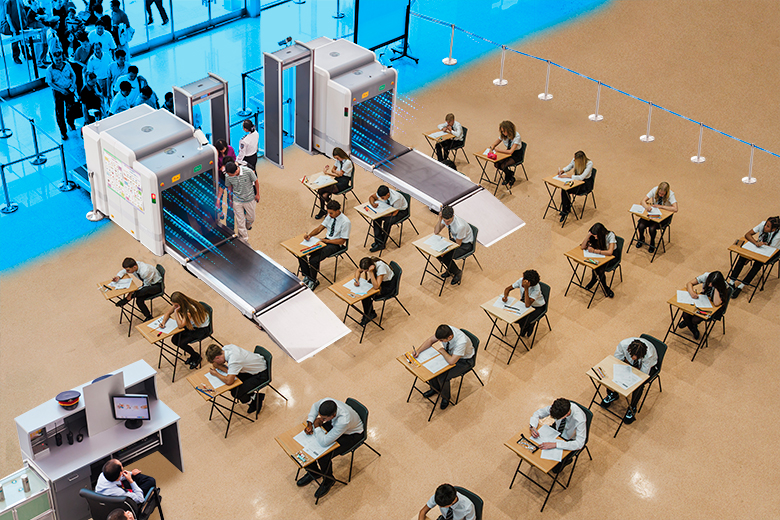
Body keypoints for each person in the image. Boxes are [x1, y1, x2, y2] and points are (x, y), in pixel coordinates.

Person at [296, 398, 364, 499]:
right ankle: (314, 473)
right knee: (307, 445)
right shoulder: (327, 401)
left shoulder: (343, 420)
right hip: (336, 425)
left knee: (323, 456)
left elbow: (324, 442)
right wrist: (310, 423)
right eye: (321, 417)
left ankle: (329, 481)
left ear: (333, 415)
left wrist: (317, 426)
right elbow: (315, 406)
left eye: (324, 419)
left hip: (352, 434)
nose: (321, 419)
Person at [413, 324, 475, 410]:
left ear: (449, 337)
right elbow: (431, 340)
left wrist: (443, 351)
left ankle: (445, 398)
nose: (439, 341)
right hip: (450, 355)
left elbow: (452, 361)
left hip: (464, 361)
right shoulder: (446, 330)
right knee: (432, 367)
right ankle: (435, 389)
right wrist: (418, 351)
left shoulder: (461, 342)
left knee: (443, 377)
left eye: (441, 340)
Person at [600, 337, 658, 424]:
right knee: (612, 373)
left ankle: (632, 407)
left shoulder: (648, 355)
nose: (634, 358)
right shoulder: (623, 344)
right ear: (629, 350)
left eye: (637, 357)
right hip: (627, 363)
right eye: (632, 355)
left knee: (639, 385)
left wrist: (630, 374)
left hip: (647, 367)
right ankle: (613, 394)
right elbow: (616, 360)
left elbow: (643, 374)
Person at [298, 199, 351, 290]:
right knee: (300, 253)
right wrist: (310, 235)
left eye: (331, 213)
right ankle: (307, 275)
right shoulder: (329, 216)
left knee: (313, 259)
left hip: (335, 244)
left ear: (337, 211)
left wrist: (326, 241)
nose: (329, 215)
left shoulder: (346, 222)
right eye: (328, 213)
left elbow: (342, 241)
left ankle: (313, 280)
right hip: (326, 241)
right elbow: (319, 229)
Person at [205, 343, 268, 414]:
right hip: (253, 367)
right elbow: (232, 370)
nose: (215, 363)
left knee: (236, 393)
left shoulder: (234, 360)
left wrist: (216, 374)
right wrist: (220, 367)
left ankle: (254, 402)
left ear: (217, 357)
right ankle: (255, 396)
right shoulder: (226, 348)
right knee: (233, 387)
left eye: (215, 361)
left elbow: (229, 381)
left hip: (261, 374)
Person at [727, 216, 780, 299]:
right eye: (766, 224)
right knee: (742, 256)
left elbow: (769, 250)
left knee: (757, 264)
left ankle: (741, 286)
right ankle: (732, 282)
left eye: (768, 226)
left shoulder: (778, 236)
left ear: (773, 229)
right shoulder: (762, 225)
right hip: (758, 247)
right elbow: (748, 235)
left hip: (771, 252)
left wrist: (751, 257)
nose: (765, 226)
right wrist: (755, 243)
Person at [160, 291, 211, 368]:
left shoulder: (189, 311)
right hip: (191, 325)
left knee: (181, 343)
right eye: (173, 305)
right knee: (174, 340)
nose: (174, 306)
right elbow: (167, 313)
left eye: (176, 305)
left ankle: (196, 356)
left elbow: (180, 326)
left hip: (201, 329)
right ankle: (193, 355)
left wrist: (176, 312)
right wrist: (163, 322)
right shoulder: (179, 305)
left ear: (181, 303)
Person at [679, 271, 729, 340]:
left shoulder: (724, 285)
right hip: (702, 301)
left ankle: (691, 326)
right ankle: (690, 325)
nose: (710, 285)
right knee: (685, 314)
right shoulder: (706, 276)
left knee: (695, 320)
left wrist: (716, 288)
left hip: (713, 308)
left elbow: (716, 303)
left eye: (713, 284)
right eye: (709, 282)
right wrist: (692, 293)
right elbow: (689, 283)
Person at [434, 205, 473, 286]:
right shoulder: (445, 219)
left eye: (448, 221)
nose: (446, 223)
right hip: (455, 241)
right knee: (438, 253)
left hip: (465, 245)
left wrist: (445, 251)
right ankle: (451, 269)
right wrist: (440, 219)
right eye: (445, 221)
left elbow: (458, 244)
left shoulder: (460, 226)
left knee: (446, 256)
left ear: (453, 216)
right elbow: (436, 231)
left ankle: (457, 273)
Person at [113, 257, 162, 322]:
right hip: (148, 284)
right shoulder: (134, 266)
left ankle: (128, 298)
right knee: (139, 301)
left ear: (134, 267)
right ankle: (149, 317)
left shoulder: (145, 271)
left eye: (128, 270)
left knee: (142, 291)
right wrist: (118, 276)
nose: (127, 272)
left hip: (156, 286)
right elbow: (123, 271)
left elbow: (146, 286)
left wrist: (132, 292)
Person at [223, 161, 259, 243]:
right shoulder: (228, 175)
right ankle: (244, 239)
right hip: (237, 200)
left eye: (230, 174)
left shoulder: (248, 171)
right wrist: (230, 199)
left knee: (251, 218)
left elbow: (256, 181)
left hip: (249, 199)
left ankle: (246, 227)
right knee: (240, 221)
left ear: (236, 171)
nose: (228, 176)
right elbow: (229, 187)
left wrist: (257, 194)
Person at [636, 181, 678, 253]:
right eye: (659, 193)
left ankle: (652, 242)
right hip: (653, 213)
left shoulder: (671, 194)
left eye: (662, 194)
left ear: (666, 192)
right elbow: (643, 200)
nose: (660, 195)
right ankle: (641, 238)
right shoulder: (654, 190)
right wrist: (647, 207)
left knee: (652, 228)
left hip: (663, 217)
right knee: (641, 225)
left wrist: (661, 206)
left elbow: (675, 209)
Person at [502, 269, 545, 337]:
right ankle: (525, 327)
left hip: (537, 307)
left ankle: (528, 327)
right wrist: (505, 296)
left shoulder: (536, 289)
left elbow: (528, 304)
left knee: (524, 321)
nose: (522, 283)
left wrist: (526, 289)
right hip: (524, 303)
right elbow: (508, 289)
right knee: (515, 317)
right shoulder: (521, 280)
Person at [313, 146, 353, 219]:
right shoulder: (339, 161)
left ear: (341, 155)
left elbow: (340, 174)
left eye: (338, 158)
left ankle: (330, 208)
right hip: (337, 179)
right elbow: (333, 170)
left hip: (343, 182)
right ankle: (329, 208)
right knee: (323, 195)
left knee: (321, 190)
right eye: (336, 158)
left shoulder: (348, 162)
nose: (337, 160)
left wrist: (328, 173)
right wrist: (336, 173)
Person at [45, 50, 77, 140]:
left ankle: (71, 123)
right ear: (53, 60)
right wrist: (61, 90)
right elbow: (50, 83)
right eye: (57, 60)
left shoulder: (67, 64)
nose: (59, 62)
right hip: (58, 91)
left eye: (60, 59)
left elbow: (73, 75)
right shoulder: (49, 70)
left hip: (69, 88)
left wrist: (73, 84)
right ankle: (63, 131)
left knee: (71, 108)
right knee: (60, 111)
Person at [580, 222, 618, 298]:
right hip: (599, 255)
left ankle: (605, 287)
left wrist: (594, 251)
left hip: (611, 257)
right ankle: (594, 279)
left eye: (596, 236)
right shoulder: (593, 236)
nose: (595, 238)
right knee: (595, 266)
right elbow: (583, 247)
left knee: (599, 269)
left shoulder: (610, 235)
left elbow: (610, 252)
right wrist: (588, 235)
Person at [353, 256, 394, 325]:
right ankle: (369, 313)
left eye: (366, 270)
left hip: (387, 285)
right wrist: (357, 279)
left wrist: (371, 272)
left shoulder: (381, 267)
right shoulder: (368, 261)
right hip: (377, 280)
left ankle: (370, 314)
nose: (364, 272)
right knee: (364, 293)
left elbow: (376, 287)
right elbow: (358, 270)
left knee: (366, 296)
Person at [368, 184, 408, 252]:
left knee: (388, 222)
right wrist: (373, 204)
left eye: (383, 198)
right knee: (376, 219)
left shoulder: (396, 198)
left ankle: (382, 244)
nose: (382, 199)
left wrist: (381, 214)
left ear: (388, 195)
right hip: (388, 208)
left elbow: (394, 213)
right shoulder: (382, 192)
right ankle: (378, 241)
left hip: (401, 212)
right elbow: (372, 197)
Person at [556, 150, 594, 222]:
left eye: (575, 159)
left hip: (584, 184)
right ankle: (565, 209)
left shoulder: (589, 164)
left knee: (566, 190)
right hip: (576, 181)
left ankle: (566, 209)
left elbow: (581, 177)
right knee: (564, 189)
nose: (574, 160)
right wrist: (563, 170)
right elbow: (570, 166)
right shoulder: (575, 160)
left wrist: (568, 176)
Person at [487, 120, 522, 187]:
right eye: (501, 131)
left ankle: (509, 177)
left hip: (516, 154)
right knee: (497, 164)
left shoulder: (517, 136)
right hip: (506, 152)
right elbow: (494, 144)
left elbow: (511, 151)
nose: (503, 133)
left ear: (509, 130)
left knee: (503, 166)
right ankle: (510, 174)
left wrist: (499, 150)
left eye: (504, 131)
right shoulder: (503, 135)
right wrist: (491, 149)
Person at [4, 0, 25, 64]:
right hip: (14, 24)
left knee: (24, 39)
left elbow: (23, 10)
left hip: (21, 23)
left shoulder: (20, 0)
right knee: (15, 41)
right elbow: (7, 15)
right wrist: (11, 26)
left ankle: (26, 54)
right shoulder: (8, 2)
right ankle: (16, 57)